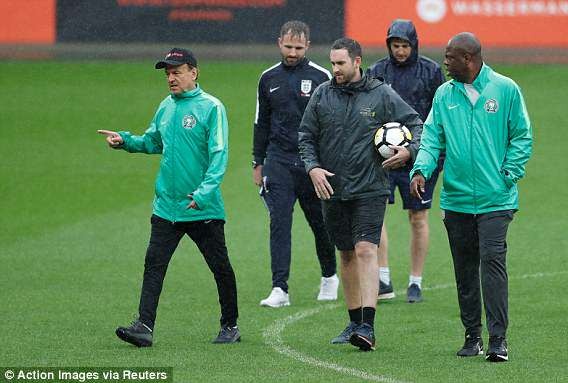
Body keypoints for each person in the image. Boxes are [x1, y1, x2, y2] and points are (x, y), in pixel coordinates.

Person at [97, 48, 240, 346]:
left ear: (194, 72)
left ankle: (230, 326)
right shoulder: (166, 106)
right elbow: (153, 141)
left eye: (176, 72)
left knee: (220, 267)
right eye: (168, 73)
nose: (171, 78)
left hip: (201, 207)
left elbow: (219, 154)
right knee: (154, 264)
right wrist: (126, 141)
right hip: (167, 206)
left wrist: (203, 193)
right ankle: (144, 327)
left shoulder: (212, 108)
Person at [410, 32, 532, 362]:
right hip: (457, 200)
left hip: (497, 199)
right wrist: (420, 169)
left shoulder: (505, 89)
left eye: (450, 57)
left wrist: (509, 173)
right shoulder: (444, 95)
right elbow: (432, 138)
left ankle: (498, 339)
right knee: (464, 270)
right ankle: (471, 336)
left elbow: (522, 136)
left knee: (492, 263)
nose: (444, 63)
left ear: (469, 59)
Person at [299, 37, 423, 351]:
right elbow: (305, 137)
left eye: (340, 63)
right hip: (332, 188)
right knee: (346, 254)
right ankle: (354, 321)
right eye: (332, 63)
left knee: (366, 249)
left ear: (357, 61)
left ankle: (368, 326)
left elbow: (416, 124)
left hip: (371, 188)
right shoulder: (322, 95)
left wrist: (409, 151)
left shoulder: (381, 94)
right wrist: (313, 168)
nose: (335, 69)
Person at [253, 20, 338, 308]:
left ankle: (329, 276)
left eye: (298, 47)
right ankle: (280, 288)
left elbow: (331, 123)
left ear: (308, 47)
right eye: (288, 46)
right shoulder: (267, 78)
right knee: (279, 223)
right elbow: (261, 122)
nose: (292, 52)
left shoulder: (322, 77)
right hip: (278, 161)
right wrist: (258, 162)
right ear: (279, 43)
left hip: (312, 163)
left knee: (320, 223)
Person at [367, 19, 445, 303]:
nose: (400, 51)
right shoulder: (376, 71)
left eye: (405, 45)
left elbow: (440, 115)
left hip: (420, 158)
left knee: (418, 217)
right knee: (378, 214)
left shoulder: (431, 72)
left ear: (414, 44)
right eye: (395, 45)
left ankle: (416, 281)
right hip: (383, 158)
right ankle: (383, 278)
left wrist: (438, 155)